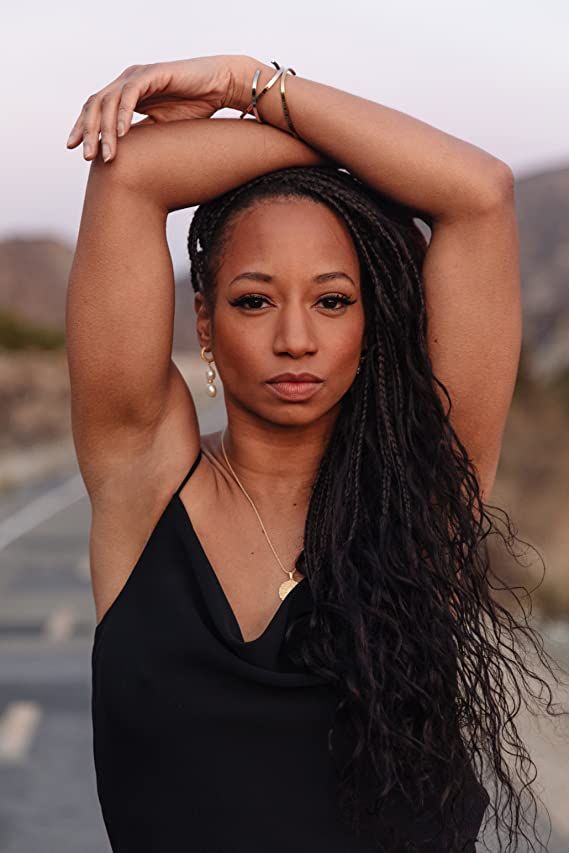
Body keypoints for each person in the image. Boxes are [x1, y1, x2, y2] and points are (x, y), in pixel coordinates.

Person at [65, 54, 564, 852]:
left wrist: (245, 84)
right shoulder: (142, 479)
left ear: (369, 326)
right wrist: (338, 158)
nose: (295, 339)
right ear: (203, 321)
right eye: (253, 300)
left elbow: (477, 192)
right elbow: (133, 173)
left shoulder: (424, 489)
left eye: (332, 301)